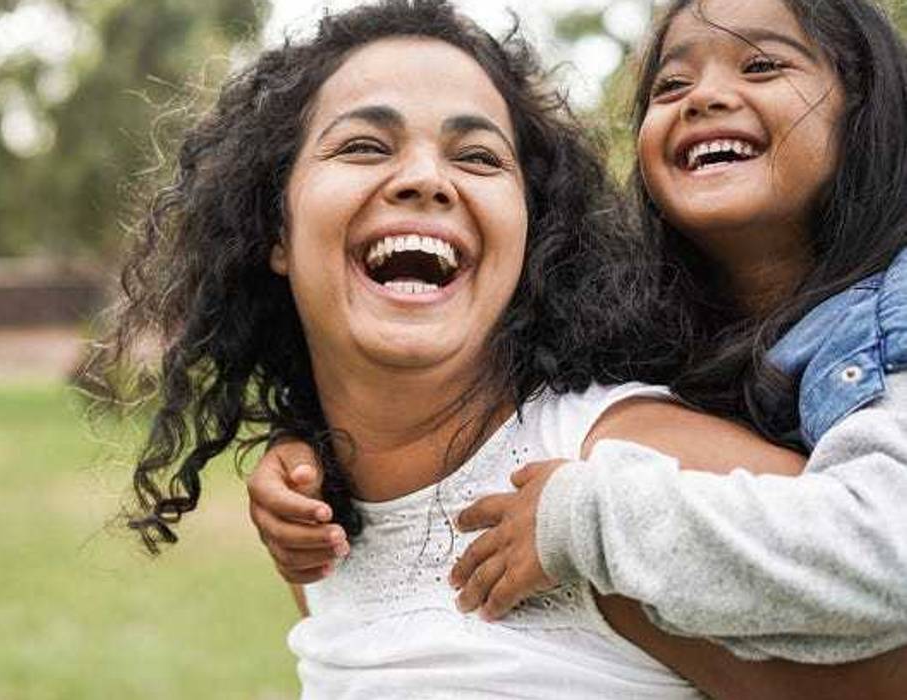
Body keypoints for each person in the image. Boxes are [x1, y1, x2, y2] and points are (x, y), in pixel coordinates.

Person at [86, 1, 900, 696]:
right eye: (364, 146)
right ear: (274, 227)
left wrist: (589, 523)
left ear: (530, 236)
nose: (423, 180)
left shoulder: (623, 479)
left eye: (476, 157)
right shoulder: (322, 521)